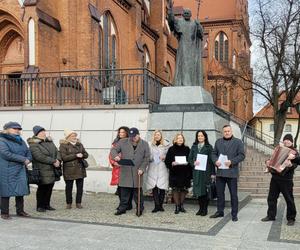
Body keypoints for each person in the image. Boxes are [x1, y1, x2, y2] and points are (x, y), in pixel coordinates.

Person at [111, 127, 150, 216]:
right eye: (131, 136)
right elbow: (113, 150)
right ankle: (122, 209)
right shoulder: (122, 142)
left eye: (135, 136)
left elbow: (146, 158)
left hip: (138, 172)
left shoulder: (145, 144)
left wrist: (142, 168)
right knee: (124, 193)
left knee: (137, 193)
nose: (133, 138)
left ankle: (140, 208)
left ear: (138, 134)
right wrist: (116, 156)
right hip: (125, 171)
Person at [261, 134, 299, 226]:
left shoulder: (294, 152)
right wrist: (268, 162)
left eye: (288, 140)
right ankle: (271, 215)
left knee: (289, 199)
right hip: (275, 178)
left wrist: (292, 163)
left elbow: (297, 162)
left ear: (291, 142)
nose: (286, 141)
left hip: (286, 180)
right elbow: (273, 158)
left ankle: (291, 218)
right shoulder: (279, 149)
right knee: (271, 198)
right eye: (285, 140)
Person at [210, 125, 245, 222]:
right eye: (225, 131)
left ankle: (234, 214)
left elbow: (242, 155)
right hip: (220, 173)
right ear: (222, 132)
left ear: (231, 131)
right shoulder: (218, 142)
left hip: (232, 173)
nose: (227, 132)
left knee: (233, 194)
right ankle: (220, 211)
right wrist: (215, 161)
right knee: (220, 194)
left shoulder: (238, 142)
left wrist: (232, 161)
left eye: (228, 131)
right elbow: (213, 154)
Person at [167, 0, 204, 86]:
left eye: (188, 12)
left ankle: (191, 84)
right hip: (183, 49)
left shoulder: (194, 23)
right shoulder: (179, 22)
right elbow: (172, 22)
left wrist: (198, 26)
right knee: (183, 67)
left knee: (192, 68)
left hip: (192, 50)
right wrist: (170, 11)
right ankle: (183, 84)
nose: (187, 13)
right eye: (185, 12)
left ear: (190, 14)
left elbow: (201, 35)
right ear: (183, 14)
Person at [0, 122, 32, 219]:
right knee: (6, 191)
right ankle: (4, 212)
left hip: (20, 169)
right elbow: (5, 153)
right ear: (7, 129)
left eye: (18, 129)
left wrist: (29, 159)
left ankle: (20, 211)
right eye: (14, 128)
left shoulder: (21, 140)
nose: (17, 130)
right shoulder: (2, 140)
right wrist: (23, 159)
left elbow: (28, 151)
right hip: (7, 169)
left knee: (20, 190)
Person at [27, 126, 61, 212]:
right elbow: (39, 156)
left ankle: (47, 205)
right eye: (41, 132)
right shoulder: (33, 144)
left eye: (44, 131)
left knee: (50, 187)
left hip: (52, 169)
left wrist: (58, 160)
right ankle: (40, 206)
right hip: (41, 169)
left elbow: (57, 152)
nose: (44, 133)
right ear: (36, 134)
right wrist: (53, 161)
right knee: (42, 188)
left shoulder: (49, 142)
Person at [59, 129, 89, 209]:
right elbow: (64, 158)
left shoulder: (80, 144)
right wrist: (75, 155)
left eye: (75, 135)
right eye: (72, 136)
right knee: (69, 187)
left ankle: (78, 203)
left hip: (80, 169)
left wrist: (82, 155)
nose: (74, 137)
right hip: (69, 169)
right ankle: (69, 203)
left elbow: (86, 154)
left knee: (80, 187)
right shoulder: (63, 145)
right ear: (68, 137)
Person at [188, 130, 215, 216]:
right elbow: (190, 158)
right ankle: (200, 208)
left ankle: (205, 209)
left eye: (201, 136)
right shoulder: (194, 146)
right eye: (198, 136)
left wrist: (213, 173)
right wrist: (193, 163)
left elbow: (212, 161)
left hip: (206, 172)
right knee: (198, 192)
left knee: (204, 191)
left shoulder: (209, 147)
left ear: (205, 137)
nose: (200, 137)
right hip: (196, 172)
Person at [165, 133, 191, 214]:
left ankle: (181, 206)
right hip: (174, 172)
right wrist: (172, 163)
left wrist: (188, 163)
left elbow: (190, 159)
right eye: (178, 138)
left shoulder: (187, 149)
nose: (180, 139)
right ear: (175, 139)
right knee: (175, 189)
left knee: (183, 189)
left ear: (183, 140)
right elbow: (167, 161)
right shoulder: (171, 149)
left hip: (184, 172)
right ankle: (176, 206)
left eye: (181, 138)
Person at [109, 126, 133, 210]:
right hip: (118, 168)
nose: (120, 134)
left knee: (128, 187)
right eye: (119, 132)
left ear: (127, 133)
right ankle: (122, 204)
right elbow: (111, 155)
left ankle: (128, 204)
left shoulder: (131, 142)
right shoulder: (115, 143)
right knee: (120, 188)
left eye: (122, 132)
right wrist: (114, 162)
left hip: (128, 168)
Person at [146, 130, 170, 213]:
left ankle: (161, 205)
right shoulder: (149, 145)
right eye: (155, 134)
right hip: (153, 167)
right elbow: (147, 156)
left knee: (162, 187)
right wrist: (152, 157)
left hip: (162, 167)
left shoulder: (166, 145)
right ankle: (156, 205)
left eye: (158, 134)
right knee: (154, 187)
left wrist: (165, 157)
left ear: (161, 135)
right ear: (154, 136)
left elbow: (169, 156)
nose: (157, 136)